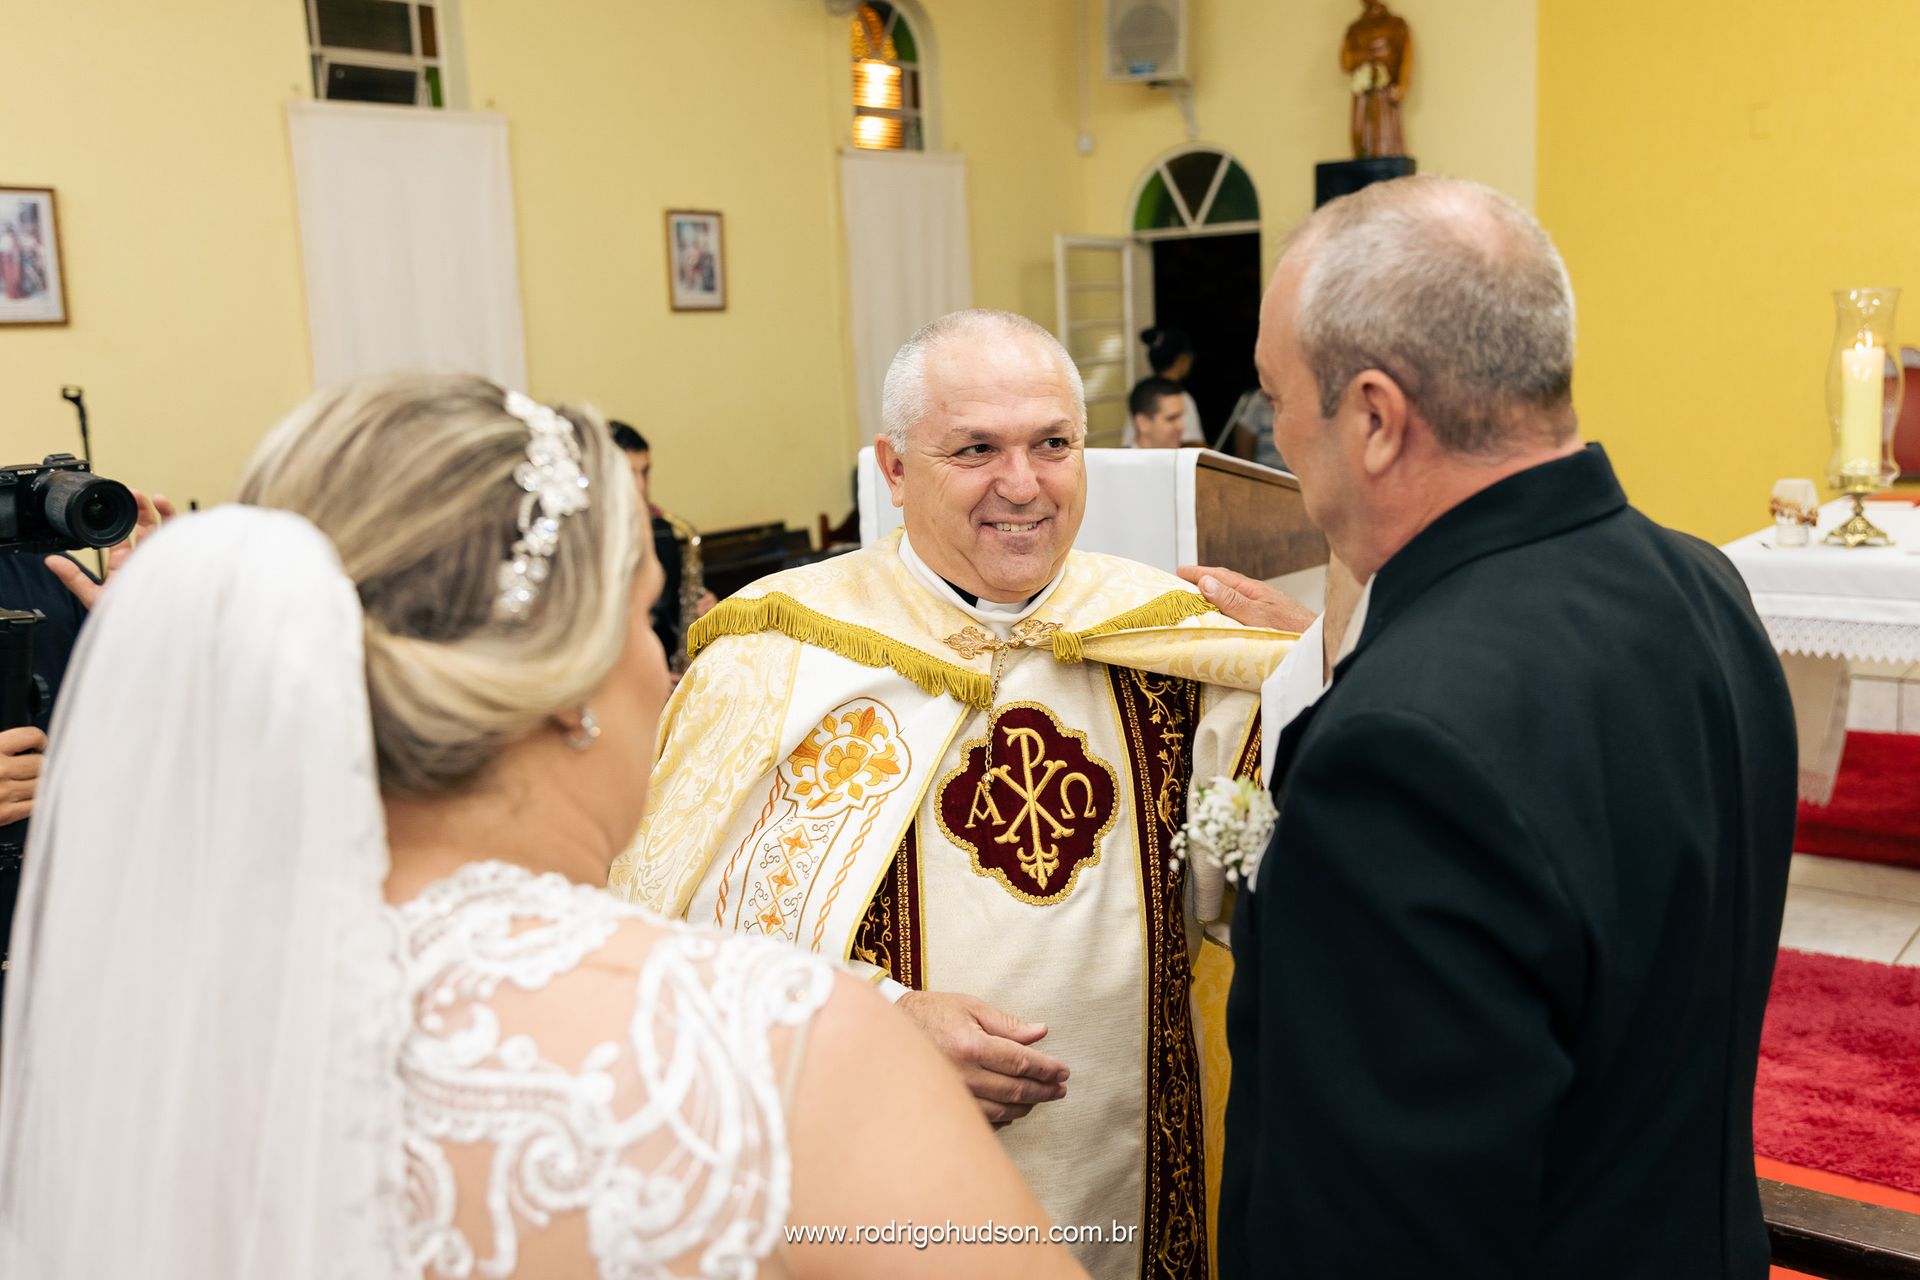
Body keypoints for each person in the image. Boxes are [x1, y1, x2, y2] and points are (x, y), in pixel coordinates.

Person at [0, 373, 1087, 1280]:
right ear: (560, 678)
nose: (666, 668)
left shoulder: (150, 1020)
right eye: (646, 614)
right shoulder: (778, 1044)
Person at [1193, 176, 1796, 1277]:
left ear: (1373, 417)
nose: (1276, 440)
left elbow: (1375, 1226)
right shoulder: (1704, 585)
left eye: (1278, 399)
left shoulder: (1400, 746)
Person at [613, 310, 1296, 1280]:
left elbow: (1296, 861)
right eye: (976, 448)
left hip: (1129, 1180)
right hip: (873, 1188)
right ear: (893, 469)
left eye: (1052, 444)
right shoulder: (781, 660)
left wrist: (1319, 663)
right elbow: (671, 943)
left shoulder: (1175, 642)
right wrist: (874, 1017)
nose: (1022, 484)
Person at [1342, 0, 1412, 159]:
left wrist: (1402, 86)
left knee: (1386, 140)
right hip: (1362, 93)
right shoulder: (1355, 29)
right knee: (1361, 138)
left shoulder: (1396, 24)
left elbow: (1406, 58)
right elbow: (1346, 61)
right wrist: (1366, 58)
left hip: (1385, 93)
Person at [1123, 326, 1207, 447]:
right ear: (1183, 359)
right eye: (1172, 418)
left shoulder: (1144, 395)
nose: (1181, 427)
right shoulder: (1181, 398)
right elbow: (1194, 446)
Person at [1126, 376, 1188, 450]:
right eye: (1171, 418)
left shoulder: (1189, 460)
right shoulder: (1116, 461)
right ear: (1142, 423)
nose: (1182, 427)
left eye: (1180, 417)